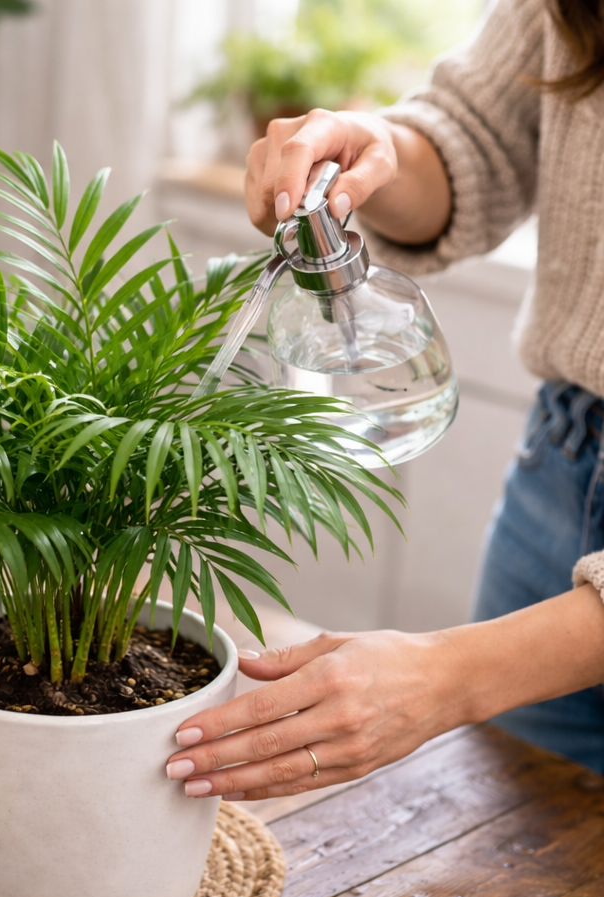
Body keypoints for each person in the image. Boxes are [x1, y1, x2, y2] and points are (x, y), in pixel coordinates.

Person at [166, 0, 604, 800]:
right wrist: (377, 155)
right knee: (516, 845)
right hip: (567, 467)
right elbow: (481, 135)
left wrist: (452, 674)